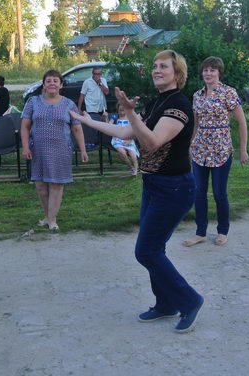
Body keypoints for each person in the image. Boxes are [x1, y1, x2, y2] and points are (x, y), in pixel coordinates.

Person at [71, 50, 204, 333]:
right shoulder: (158, 102)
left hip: (174, 187)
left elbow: (153, 142)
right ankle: (166, 304)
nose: (157, 70)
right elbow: (125, 133)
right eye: (155, 66)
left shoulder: (178, 105)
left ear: (177, 73)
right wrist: (86, 121)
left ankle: (189, 300)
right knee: (155, 248)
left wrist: (130, 111)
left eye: (163, 66)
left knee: (146, 251)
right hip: (154, 184)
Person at [184, 56, 249, 248]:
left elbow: (241, 122)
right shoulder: (197, 96)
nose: (208, 73)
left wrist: (243, 149)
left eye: (212, 70)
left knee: (220, 193)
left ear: (219, 72)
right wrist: (190, 144)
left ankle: (223, 231)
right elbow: (196, 123)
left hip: (221, 150)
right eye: (205, 70)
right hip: (200, 150)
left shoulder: (228, 93)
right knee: (198, 192)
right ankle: (200, 232)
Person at [20, 69, 88, 231]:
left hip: (61, 150)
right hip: (39, 150)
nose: (52, 83)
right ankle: (48, 216)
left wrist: (83, 150)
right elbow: (25, 126)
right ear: (43, 84)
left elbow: (77, 129)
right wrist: (25, 147)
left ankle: (52, 220)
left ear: (61, 85)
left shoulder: (69, 104)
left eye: (55, 81)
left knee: (56, 185)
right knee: (41, 186)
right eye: (48, 80)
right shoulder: (33, 102)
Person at [111, 105, 139, 176]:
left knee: (133, 155)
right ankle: (131, 167)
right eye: (120, 108)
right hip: (117, 139)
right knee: (122, 152)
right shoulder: (114, 117)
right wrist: (105, 117)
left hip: (129, 138)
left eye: (124, 107)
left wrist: (130, 139)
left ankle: (136, 169)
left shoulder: (130, 118)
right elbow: (108, 126)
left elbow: (134, 130)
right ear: (117, 110)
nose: (122, 108)